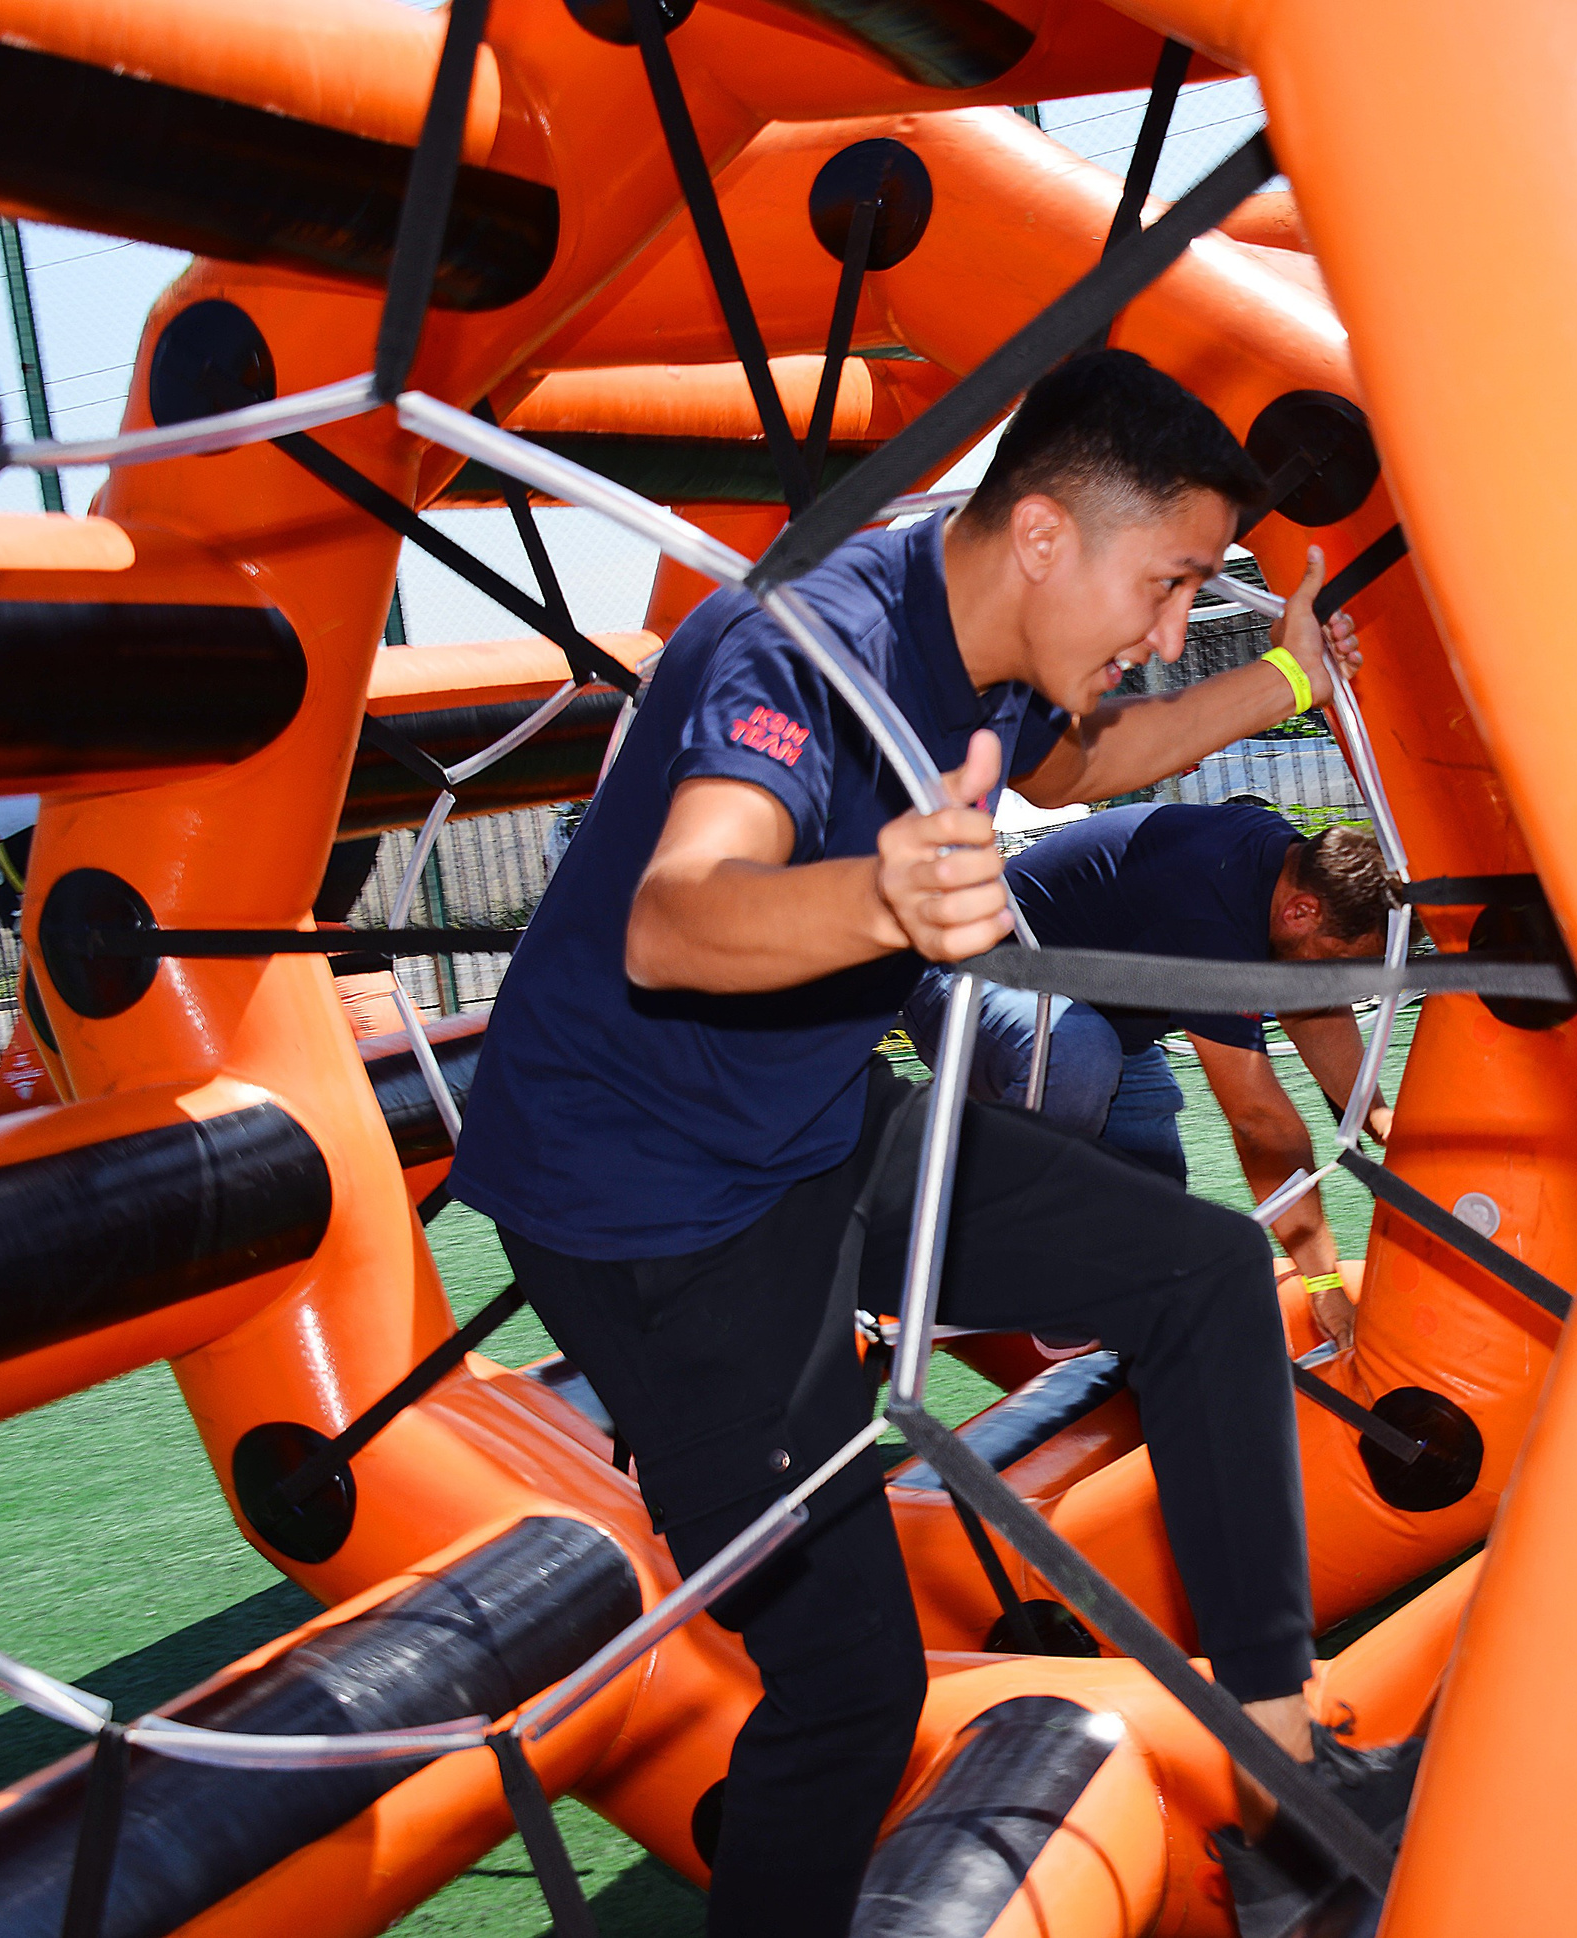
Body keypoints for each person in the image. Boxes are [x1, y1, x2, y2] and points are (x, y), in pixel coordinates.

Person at [447, 349, 1365, 1938]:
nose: (1166, 633)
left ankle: (1279, 1776)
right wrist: (880, 895)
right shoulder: (802, 645)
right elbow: (675, 919)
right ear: (1043, 540)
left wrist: (1287, 680)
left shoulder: (1003, 661)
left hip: (801, 1125)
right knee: (850, 1688)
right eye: (1166, 588)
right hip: (648, 1212)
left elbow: (1101, 759)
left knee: (1204, 1267)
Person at [903, 805, 1399, 1349]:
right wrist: (1323, 1282)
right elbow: (1260, 1125)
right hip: (962, 982)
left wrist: (1380, 1119)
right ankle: (984, 1241)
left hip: (1093, 1022)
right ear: (1302, 912)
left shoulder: (1290, 867)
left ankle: (1071, 1298)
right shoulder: (1207, 913)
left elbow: (1315, 1007)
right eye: (1340, 964)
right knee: (1079, 1054)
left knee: (1151, 1215)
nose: (1344, 987)